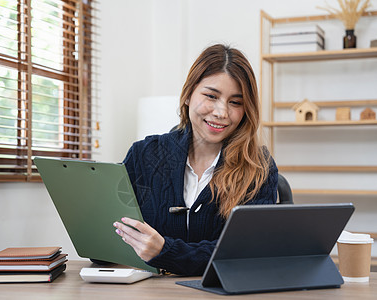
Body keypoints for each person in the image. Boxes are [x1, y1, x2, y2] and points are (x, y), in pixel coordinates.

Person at [113, 44, 278, 276]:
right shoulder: (143, 154)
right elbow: (107, 241)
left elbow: (246, 253)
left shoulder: (259, 167)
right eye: (211, 96)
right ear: (189, 94)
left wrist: (165, 251)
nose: (221, 112)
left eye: (236, 102)